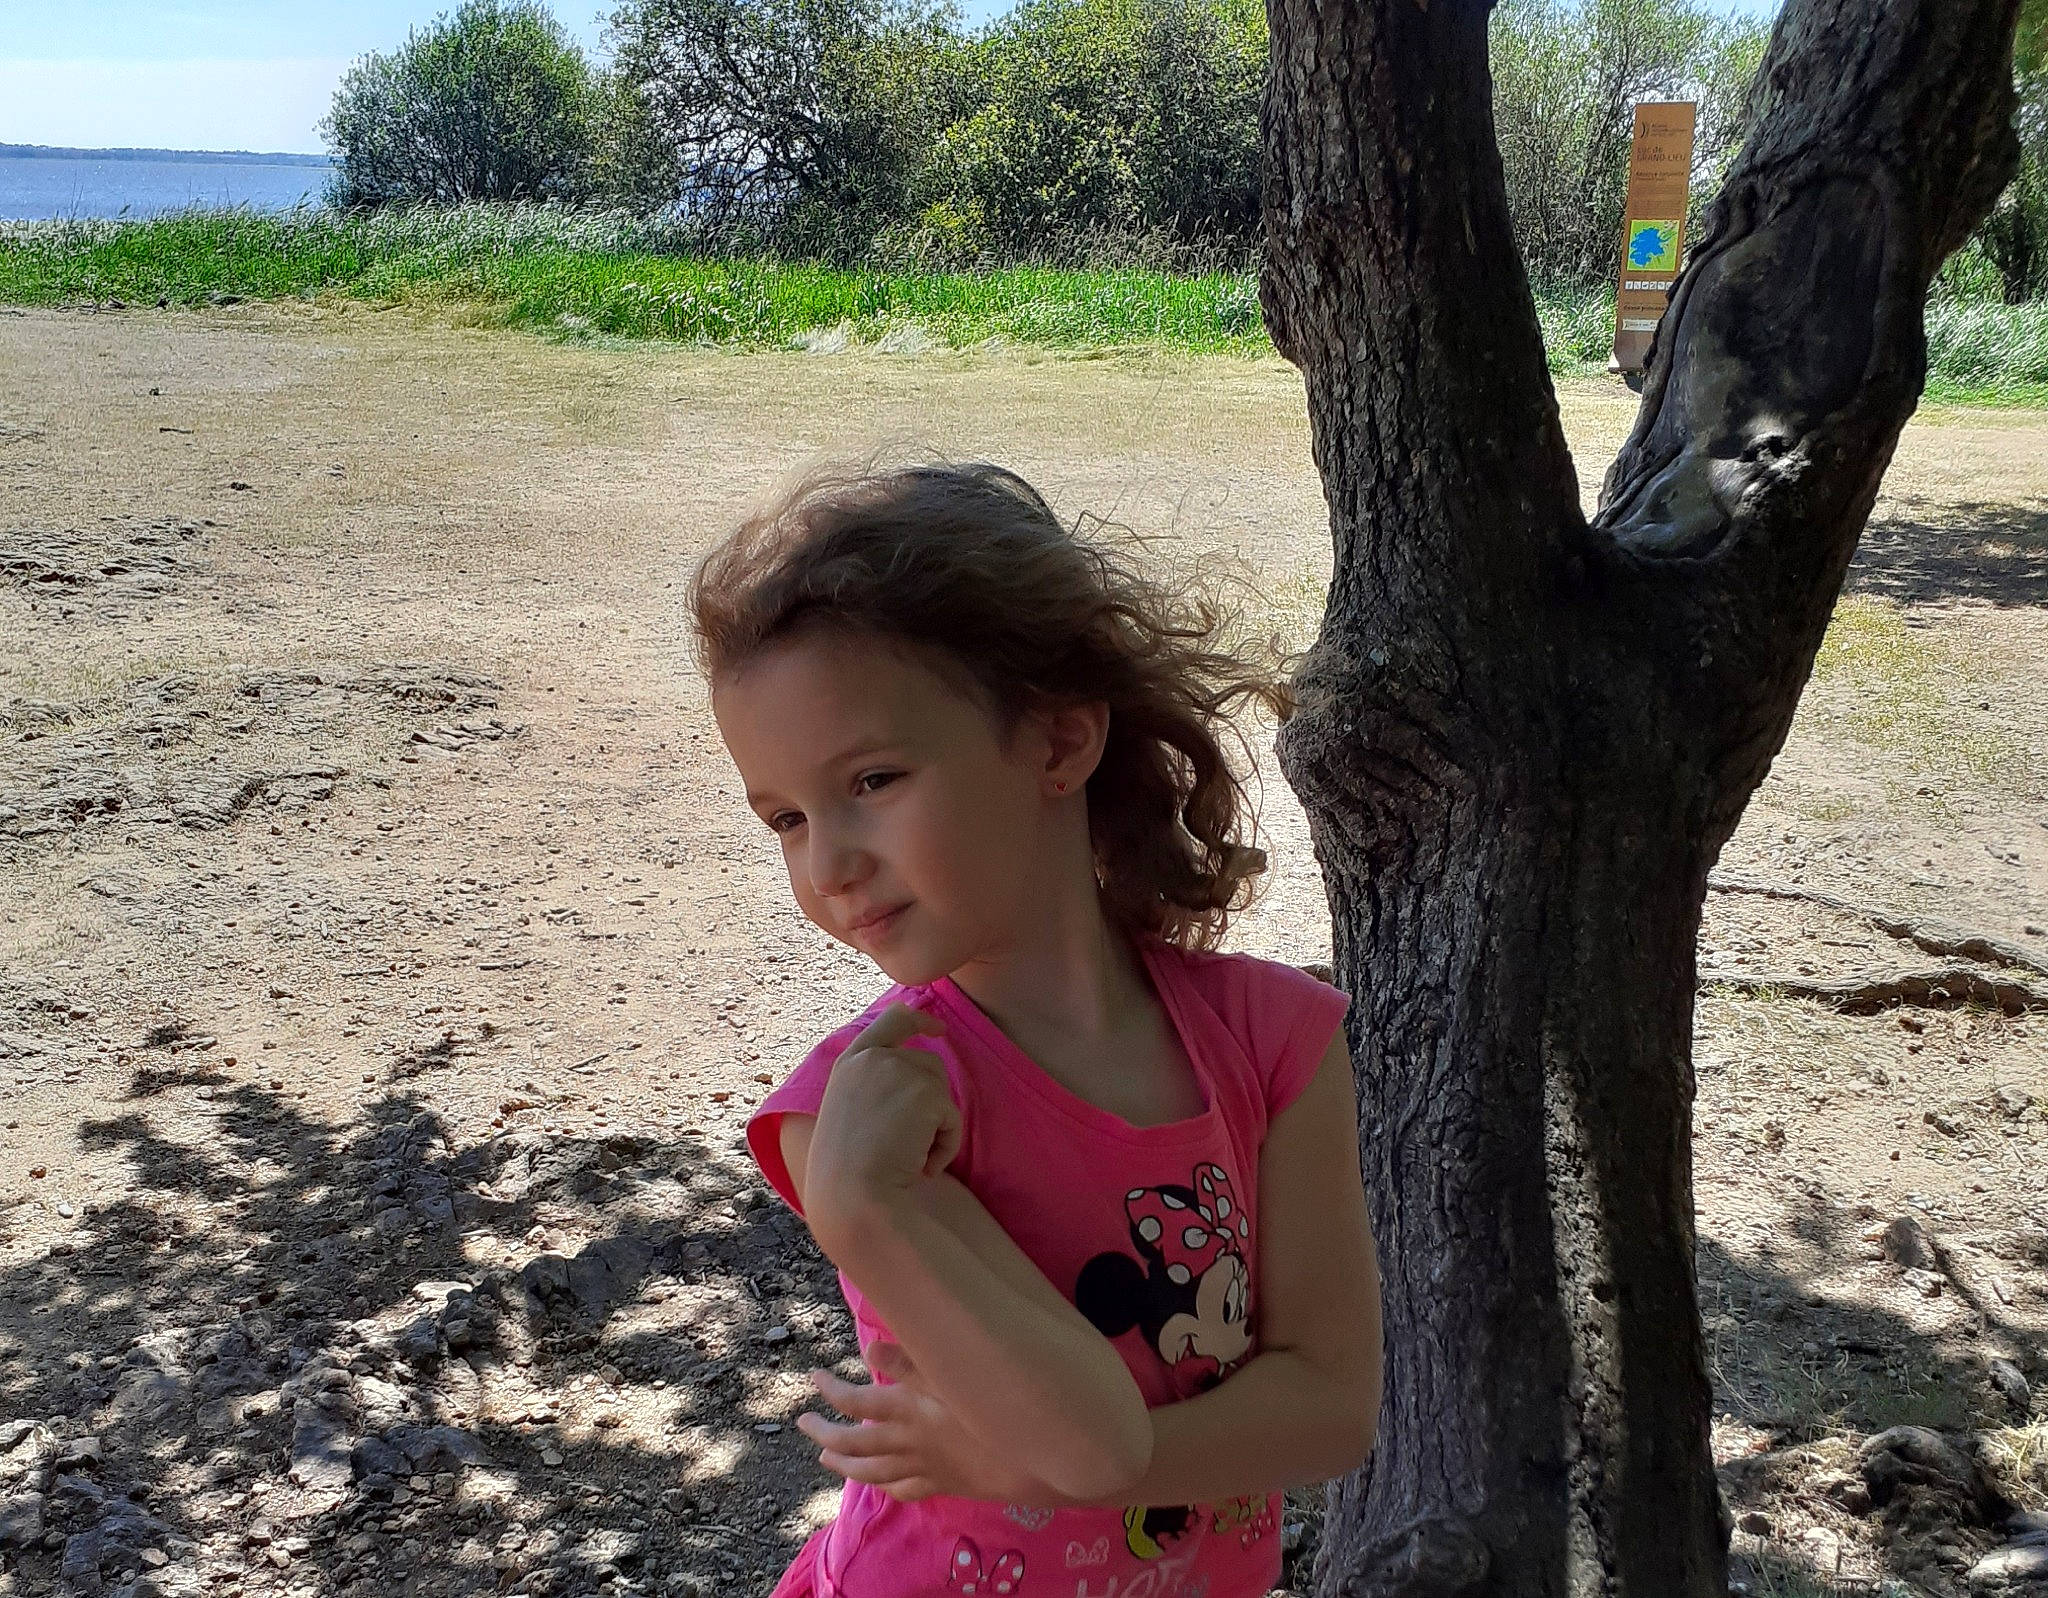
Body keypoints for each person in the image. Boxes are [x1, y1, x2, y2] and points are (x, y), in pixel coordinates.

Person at [689, 461, 1383, 1598]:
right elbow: (1087, 1442)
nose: (828, 862)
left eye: (872, 777)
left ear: (1058, 744)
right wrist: (862, 1206)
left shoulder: (1274, 1040)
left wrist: (1024, 1463)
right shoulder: (867, 1115)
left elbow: (1327, 1406)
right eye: (786, 816)